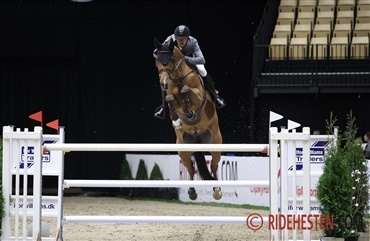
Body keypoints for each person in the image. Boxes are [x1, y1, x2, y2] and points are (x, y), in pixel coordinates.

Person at [153, 25, 226, 120]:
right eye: (178, 38)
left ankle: (215, 97)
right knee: (164, 78)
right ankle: (163, 107)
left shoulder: (193, 42)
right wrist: (157, 52)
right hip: (175, 64)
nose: (180, 41)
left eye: (183, 39)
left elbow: (201, 59)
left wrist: (185, 59)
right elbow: (160, 50)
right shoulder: (170, 39)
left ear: (188, 38)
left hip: (190, 61)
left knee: (202, 70)